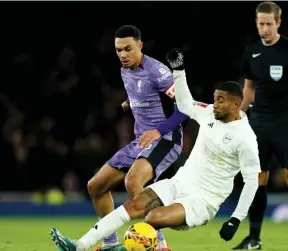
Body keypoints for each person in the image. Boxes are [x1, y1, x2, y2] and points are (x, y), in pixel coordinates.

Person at [49, 48, 261, 251]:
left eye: (221, 101)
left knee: (152, 218)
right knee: (135, 205)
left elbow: (252, 181)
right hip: (178, 183)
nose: (215, 105)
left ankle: (153, 245)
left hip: (202, 201)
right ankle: (80, 245)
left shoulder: (245, 138)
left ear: (236, 105)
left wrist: (236, 218)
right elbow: (185, 104)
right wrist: (179, 71)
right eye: (215, 99)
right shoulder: (208, 114)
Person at [221, 2, 288, 250]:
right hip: (259, 122)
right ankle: (254, 239)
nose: (264, 28)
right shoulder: (252, 51)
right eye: (260, 23)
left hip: (286, 122)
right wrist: (236, 117)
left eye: (268, 24)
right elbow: (249, 88)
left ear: (278, 22)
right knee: (257, 178)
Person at [88, 25, 188, 251]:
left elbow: (185, 108)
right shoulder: (126, 70)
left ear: (140, 46)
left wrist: (159, 130)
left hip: (166, 138)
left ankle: (161, 245)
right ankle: (111, 244)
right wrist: (129, 102)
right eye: (118, 50)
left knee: (133, 182)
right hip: (141, 142)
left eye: (128, 49)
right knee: (96, 186)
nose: (122, 55)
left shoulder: (158, 71)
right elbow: (142, 92)